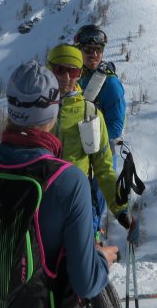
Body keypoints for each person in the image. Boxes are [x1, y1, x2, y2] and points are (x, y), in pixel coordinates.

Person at [0, 61, 117, 308]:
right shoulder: (68, 180)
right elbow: (86, 283)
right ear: (54, 110)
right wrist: (102, 258)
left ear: (11, 108)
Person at [47, 44, 132, 237]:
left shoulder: (90, 113)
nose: (66, 78)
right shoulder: (36, 109)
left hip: (76, 205)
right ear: (49, 69)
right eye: (60, 70)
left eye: (73, 71)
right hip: (40, 204)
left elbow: (103, 167)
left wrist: (120, 208)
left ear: (79, 73)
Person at [74, 25, 127, 142]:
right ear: (78, 50)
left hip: (98, 156)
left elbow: (115, 129)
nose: (94, 54)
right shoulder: (70, 77)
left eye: (98, 49)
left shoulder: (110, 83)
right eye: (88, 49)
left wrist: (77, 137)